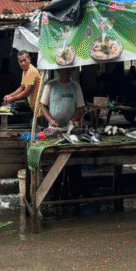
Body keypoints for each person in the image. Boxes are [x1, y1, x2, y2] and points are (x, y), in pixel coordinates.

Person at [40, 67, 86, 200]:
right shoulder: (50, 85)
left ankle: (75, 195)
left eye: (69, 70)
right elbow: (43, 106)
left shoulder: (75, 86)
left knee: (73, 163)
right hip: (54, 131)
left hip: (71, 131)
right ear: (59, 71)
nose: (67, 72)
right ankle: (55, 196)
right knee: (55, 163)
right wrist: (51, 121)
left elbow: (81, 108)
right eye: (64, 70)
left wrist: (73, 121)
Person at [3, 51, 42, 117]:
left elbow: (26, 93)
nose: (23, 63)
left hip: (40, 110)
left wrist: (11, 99)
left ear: (29, 59)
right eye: (21, 61)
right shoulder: (25, 71)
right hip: (35, 109)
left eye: (24, 60)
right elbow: (22, 88)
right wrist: (10, 95)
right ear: (18, 62)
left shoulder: (31, 71)